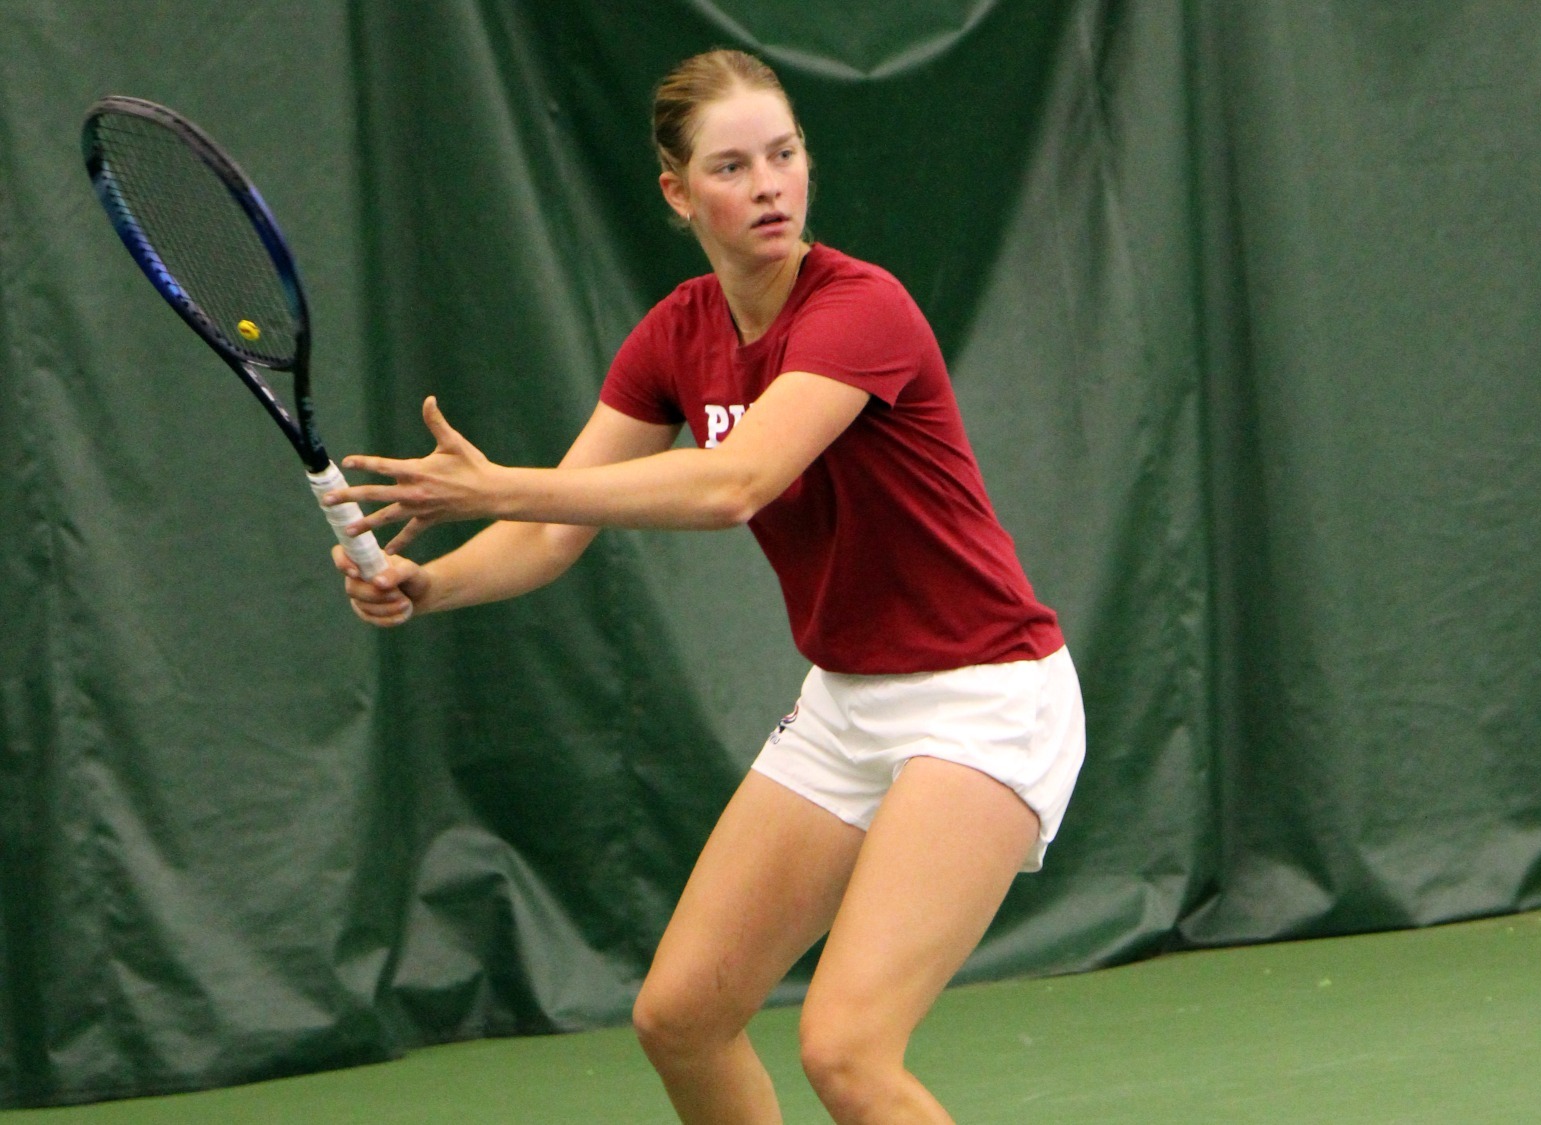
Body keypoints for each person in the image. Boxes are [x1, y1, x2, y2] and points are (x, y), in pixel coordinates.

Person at [324, 48, 1084, 1125]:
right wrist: (428, 583)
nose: (769, 184)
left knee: (847, 1051)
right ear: (678, 192)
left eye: (784, 155)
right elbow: (550, 534)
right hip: (849, 700)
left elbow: (736, 481)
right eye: (732, 167)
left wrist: (495, 482)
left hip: (986, 696)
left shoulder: (860, 309)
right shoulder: (676, 335)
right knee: (679, 1016)